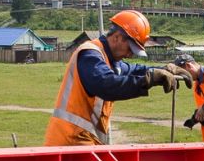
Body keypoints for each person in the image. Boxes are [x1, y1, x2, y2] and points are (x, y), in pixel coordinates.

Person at [45, 9, 185, 147]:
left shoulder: (110, 61)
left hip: (83, 139)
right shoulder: (90, 55)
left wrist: (164, 69)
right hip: (70, 140)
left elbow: (135, 70)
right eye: (130, 49)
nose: (130, 55)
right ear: (117, 37)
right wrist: (148, 80)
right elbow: (106, 85)